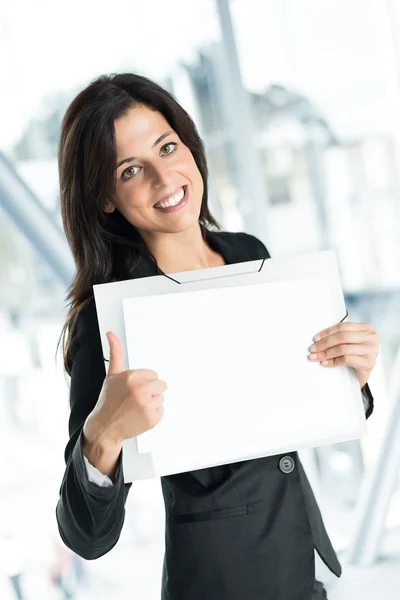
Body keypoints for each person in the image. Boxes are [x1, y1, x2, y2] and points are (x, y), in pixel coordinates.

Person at [55, 73, 380, 600]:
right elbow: (85, 536)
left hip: (300, 568)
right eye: (132, 169)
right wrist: (103, 437)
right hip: (218, 584)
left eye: (168, 147)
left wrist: (351, 374)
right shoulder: (115, 316)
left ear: (190, 146)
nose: (165, 179)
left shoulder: (248, 253)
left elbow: (296, 407)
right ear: (105, 197)